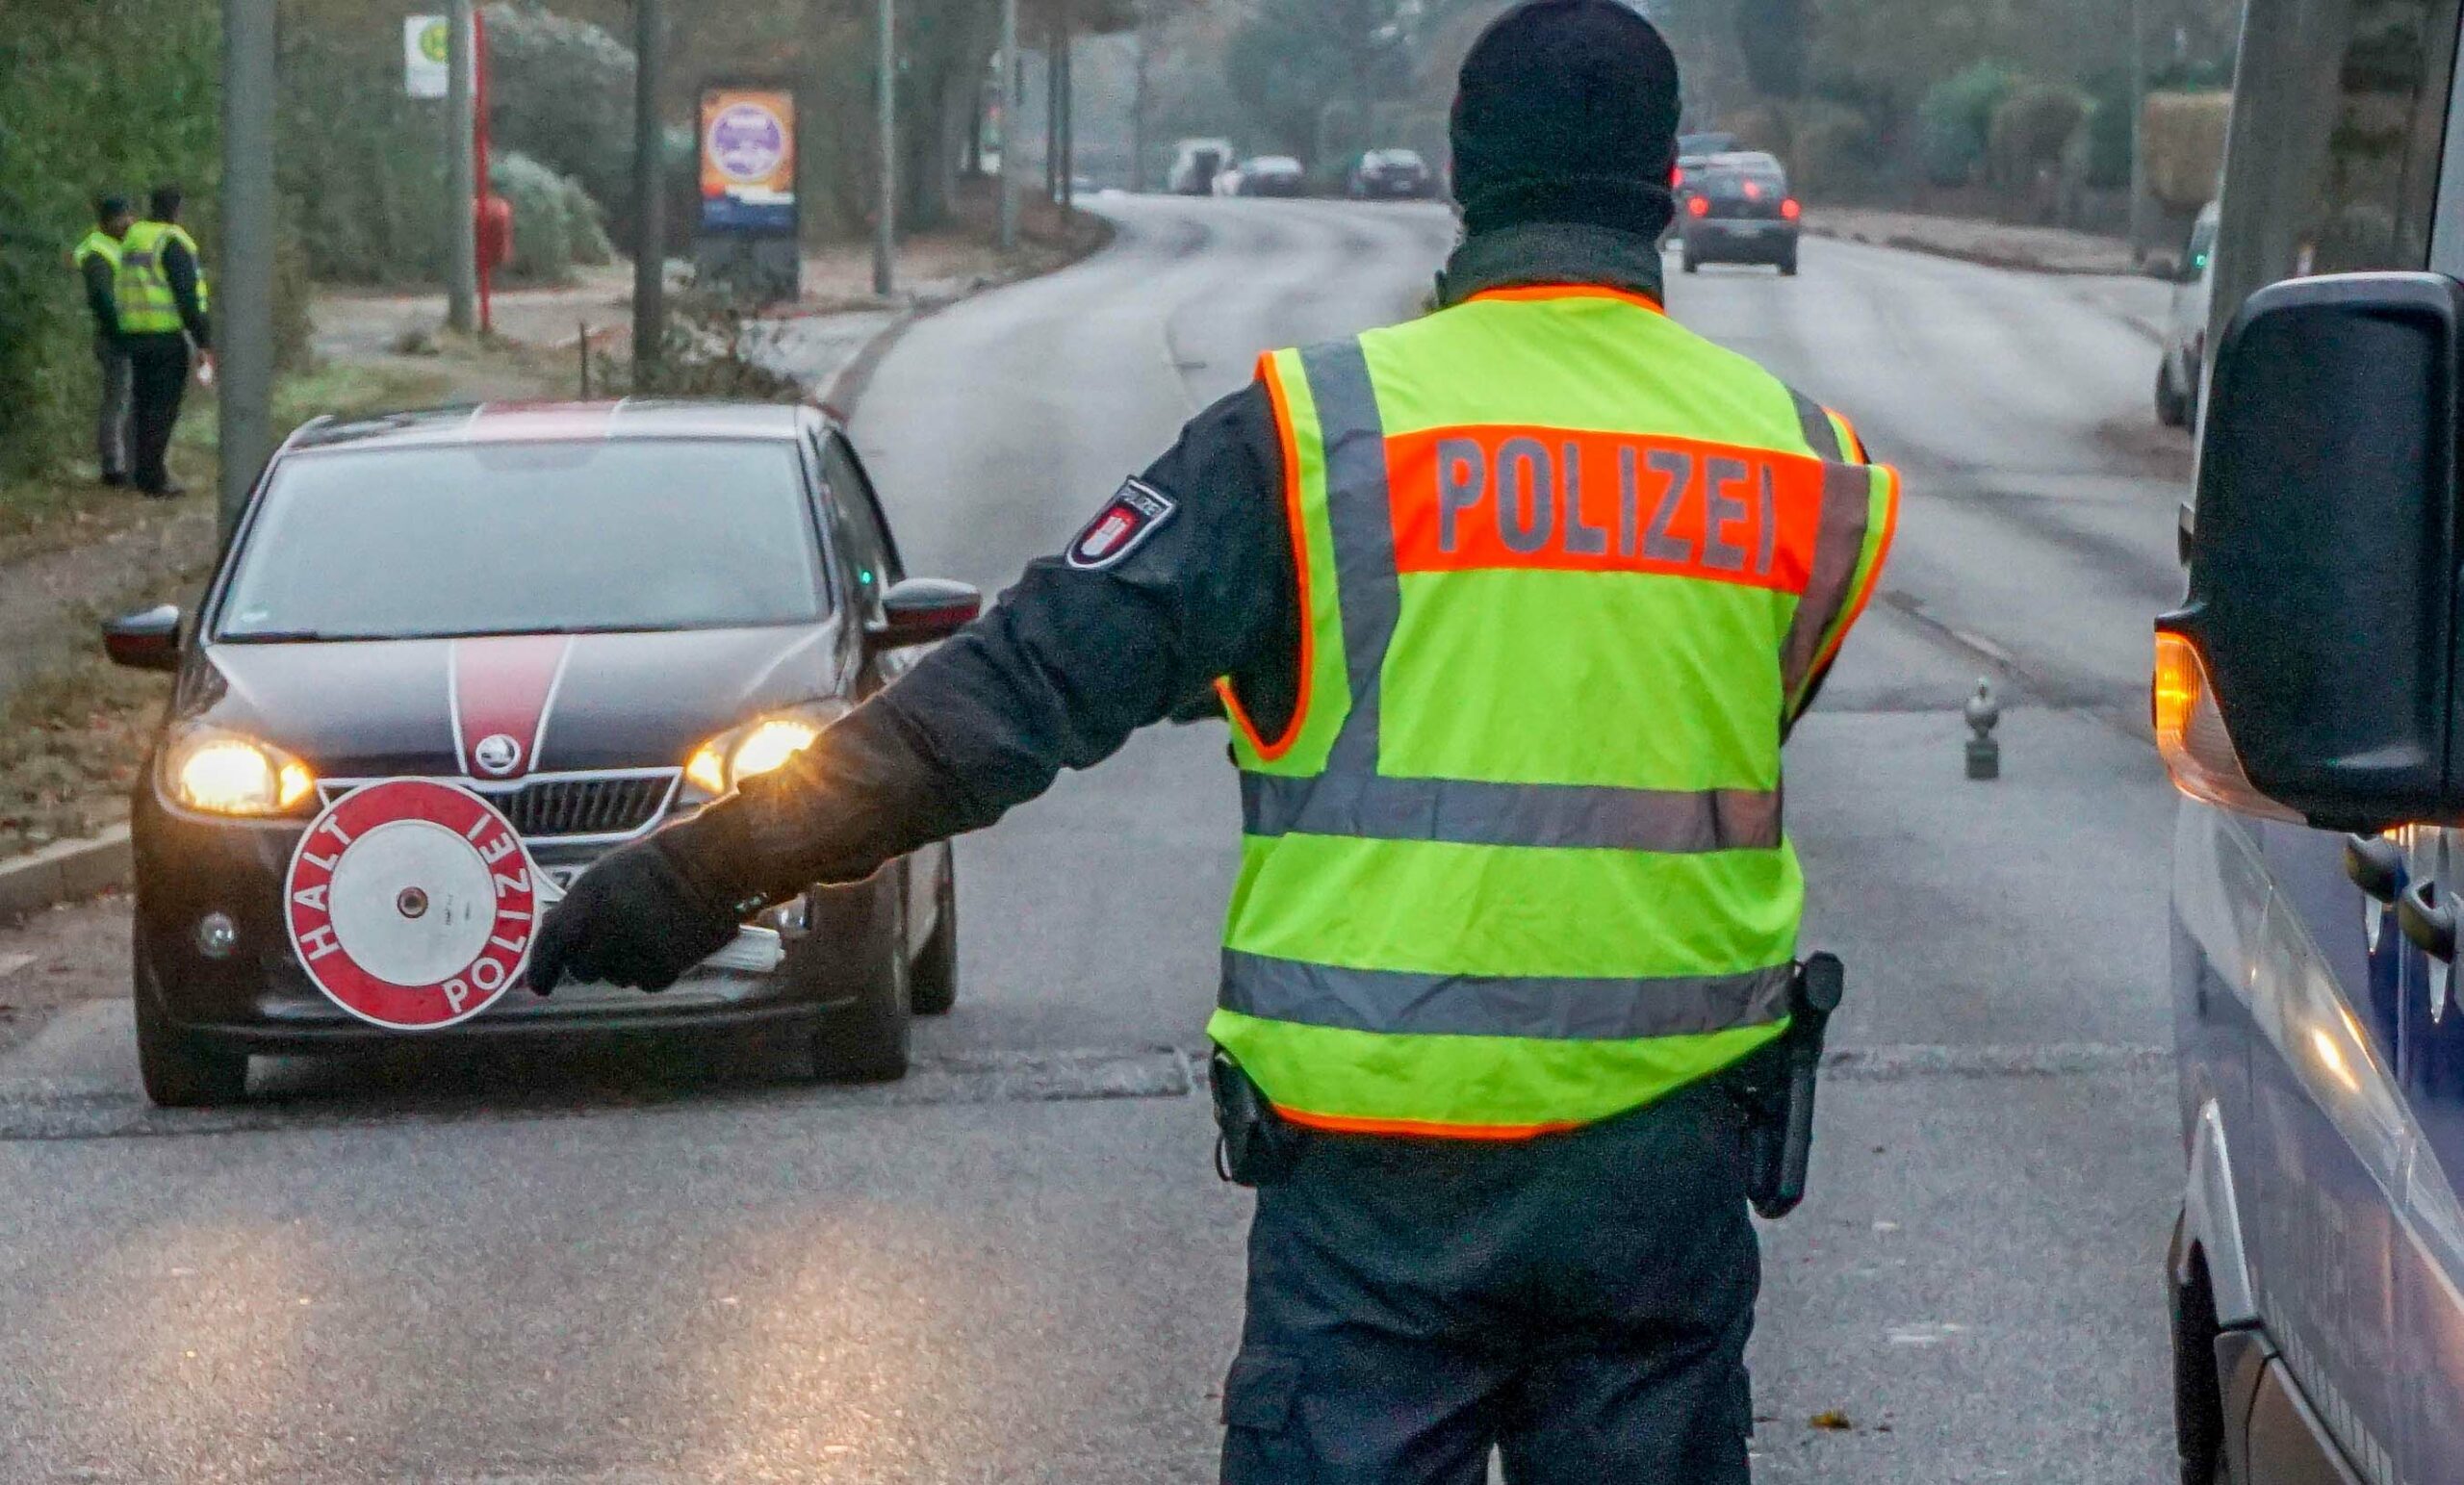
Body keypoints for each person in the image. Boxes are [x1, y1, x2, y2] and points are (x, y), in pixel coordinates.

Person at [530, 2, 1899, 1478]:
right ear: (1666, 180)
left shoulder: (1316, 435)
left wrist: (698, 872)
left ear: (1463, 171)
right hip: (1665, 1178)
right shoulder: (1804, 469)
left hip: (1379, 1191)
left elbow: (1008, 700)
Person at [115, 185, 212, 498]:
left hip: (134, 334)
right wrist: (203, 341)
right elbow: (186, 296)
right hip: (164, 337)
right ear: (177, 209)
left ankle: (140, 472)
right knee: (161, 409)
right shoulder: (171, 242)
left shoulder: (134, 237)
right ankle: (153, 477)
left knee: (141, 405)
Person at [72, 195, 135, 487]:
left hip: (125, 333)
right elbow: (102, 298)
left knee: (126, 399)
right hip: (115, 336)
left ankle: (127, 463)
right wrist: (120, 331)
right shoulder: (98, 251)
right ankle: (113, 467)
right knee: (117, 400)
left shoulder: (115, 245)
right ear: (109, 220)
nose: (128, 222)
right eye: (123, 216)